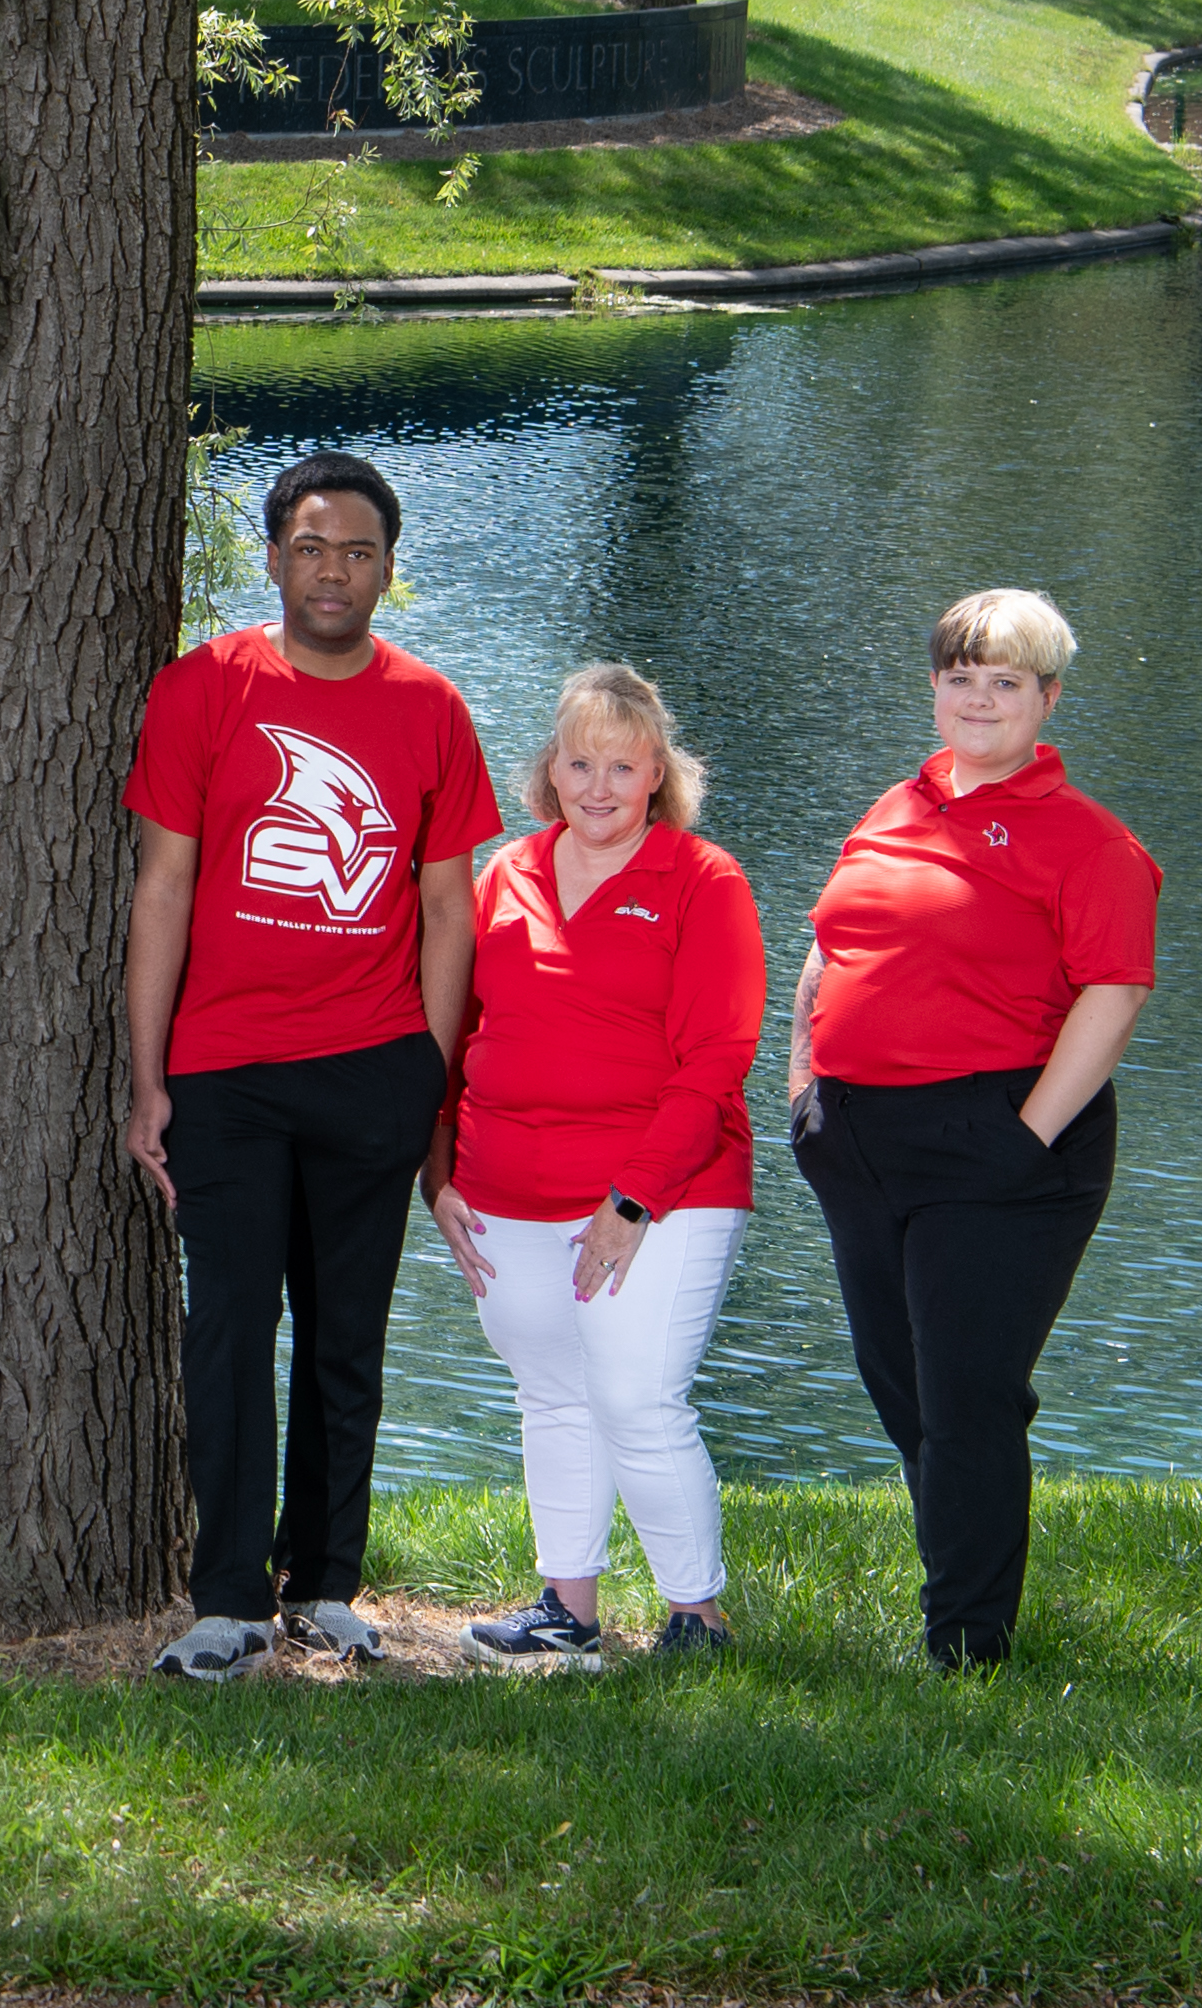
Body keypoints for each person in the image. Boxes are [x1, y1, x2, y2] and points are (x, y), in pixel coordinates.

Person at [124, 453, 499, 1682]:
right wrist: (148, 1077)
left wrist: (426, 1082)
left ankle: (324, 1582)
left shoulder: (430, 707)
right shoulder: (203, 688)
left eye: (357, 551)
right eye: (310, 546)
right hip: (225, 1071)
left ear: (388, 567)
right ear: (274, 555)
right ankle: (227, 1598)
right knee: (228, 1330)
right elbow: (163, 888)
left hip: (371, 1068)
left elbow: (449, 909)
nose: (332, 571)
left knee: (348, 1338)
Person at [786, 586, 1157, 1672]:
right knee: (901, 1381)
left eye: (1006, 682)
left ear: (1045, 698)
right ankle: (962, 1567)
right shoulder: (896, 806)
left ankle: (967, 1647)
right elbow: (828, 944)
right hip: (857, 1139)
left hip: (997, 1141)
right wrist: (803, 1085)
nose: (980, 699)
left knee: (966, 1396)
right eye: (961, 678)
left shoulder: (1087, 841)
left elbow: (1113, 994)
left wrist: (1025, 1135)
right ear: (935, 689)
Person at [431, 665, 764, 1670]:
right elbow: (448, 1036)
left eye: (622, 765)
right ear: (551, 769)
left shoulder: (701, 880)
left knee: (635, 1396)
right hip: (501, 1193)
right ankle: (566, 1607)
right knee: (552, 1393)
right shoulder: (503, 875)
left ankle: (696, 1619)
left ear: (657, 772)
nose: (599, 785)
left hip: (660, 1193)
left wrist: (632, 1200)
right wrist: (435, 1176)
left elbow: (715, 1058)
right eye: (580, 762)